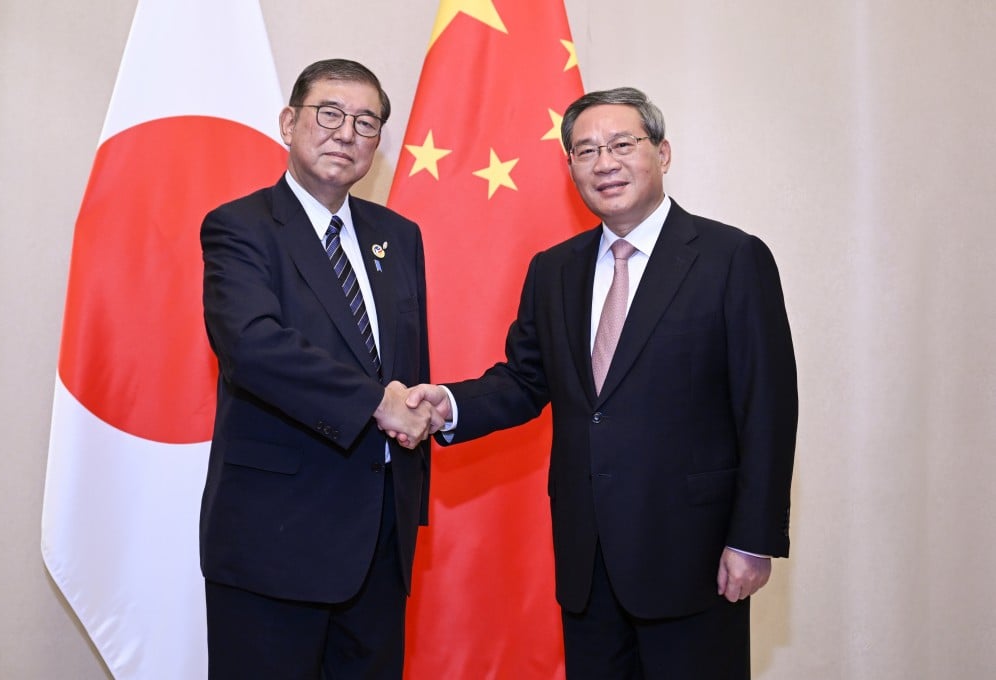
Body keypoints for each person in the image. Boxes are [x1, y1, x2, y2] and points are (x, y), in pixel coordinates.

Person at [404, 87, 798, 679]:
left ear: (662, 153)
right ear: (570, 168)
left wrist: (752, 539)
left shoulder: (731, 258)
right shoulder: (554, 268)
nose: (604, 163)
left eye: (622, 144)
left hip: (695, 556)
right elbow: (525, 379)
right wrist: (450, 403)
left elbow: (766, 407)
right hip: (587, 561)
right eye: (585, 151)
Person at [198, 58, 437, 679]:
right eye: (328, 113)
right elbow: (252, 346)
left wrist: (417, 417)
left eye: (366, 122)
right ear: (288, 122)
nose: (345, 132)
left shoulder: (399, 235)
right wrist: (375, 403)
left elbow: (406, 365)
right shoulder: (240, 227)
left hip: (380, 542)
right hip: (275, 538)